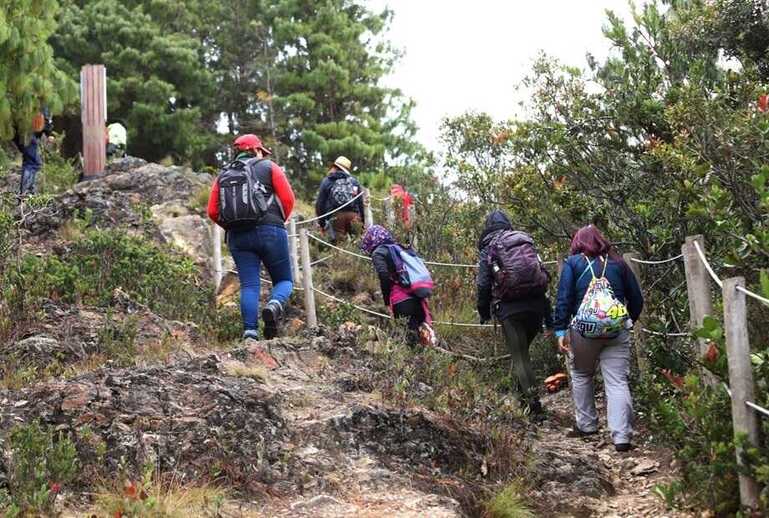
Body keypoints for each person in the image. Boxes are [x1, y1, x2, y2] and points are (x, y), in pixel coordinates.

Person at [553, 225, 643, 452]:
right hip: (616, 331)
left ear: (577, 244)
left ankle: (587, 425)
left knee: (582, 374)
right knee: (617, 381)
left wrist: (561, 331)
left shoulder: (573, 264)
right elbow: (637, 298)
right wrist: (626, 321)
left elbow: (563, 298)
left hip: (583, 332)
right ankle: (622, 437)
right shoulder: (619, 264)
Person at [207, 134, 295, 340]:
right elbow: (288, 199)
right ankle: (274, 305)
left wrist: (231, 225)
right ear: (256, 150)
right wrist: (276, 220)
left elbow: (212, 211)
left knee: (249, 285)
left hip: (238, 236)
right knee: (284, 280)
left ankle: (250, 333)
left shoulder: (223, 176)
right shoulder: (269, 167)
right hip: (271, 231)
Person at [476, 210, 553, 417]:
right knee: (522, 355)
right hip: (536, 307)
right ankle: (522, 401)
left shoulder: (489, 247)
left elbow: (483, 283)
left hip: (510, 310)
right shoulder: (523, 241)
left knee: (520, 358)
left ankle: (534, 406)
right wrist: (548, 317)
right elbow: (542, 274)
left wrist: (483, 312)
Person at [360, 225, 435, 346]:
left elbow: (383, 275)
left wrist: (386, 301)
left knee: (409, 339)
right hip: (418, 298)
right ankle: (429, 359)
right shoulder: (399, 248)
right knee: (422, 338)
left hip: (401, 302)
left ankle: (413, 362)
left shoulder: (378, 252)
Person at [315, 156, 364, 242]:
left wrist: (322, 224)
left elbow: (320, 205)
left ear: (334, 167)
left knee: (338, 246)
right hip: (354, 216)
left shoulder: (327, 181)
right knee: (357, 243)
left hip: (336, 217)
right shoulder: (354, 182)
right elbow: (360, 204)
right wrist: (362, 223)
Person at [14, 109, 53, 196]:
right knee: (33, 163)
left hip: (18, 131)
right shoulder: (43, 99)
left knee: (29, 161)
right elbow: (45, 117)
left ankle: (27, 192)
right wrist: (49, 133)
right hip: (28, 133)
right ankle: (26, 193)